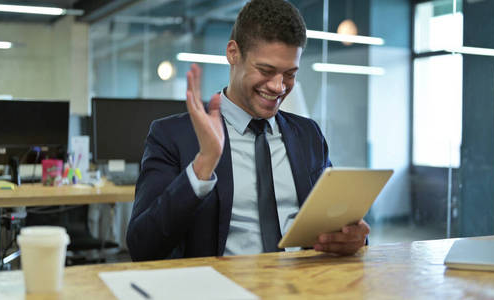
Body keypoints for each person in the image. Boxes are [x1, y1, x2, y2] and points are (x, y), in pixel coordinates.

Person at [127, 0, 369, 261]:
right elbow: (143, 247)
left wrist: (354, 237)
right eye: (266, 70)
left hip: (302, 285)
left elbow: (334, 222)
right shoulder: (171, 136)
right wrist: (203, 165)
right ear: (233, 53)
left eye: (289, 74)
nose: (279, 86)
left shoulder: (308, 135)